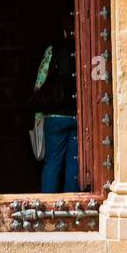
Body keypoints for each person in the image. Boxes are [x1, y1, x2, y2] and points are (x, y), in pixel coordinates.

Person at [31, 26, 79, 192]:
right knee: (74, 164)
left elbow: (40, 83)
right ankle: (73, 205)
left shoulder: (52, 50)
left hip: (55, 116)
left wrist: (38, 114)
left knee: (53, 163)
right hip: (77, 116)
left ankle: (47, 201)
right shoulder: (84, 48)